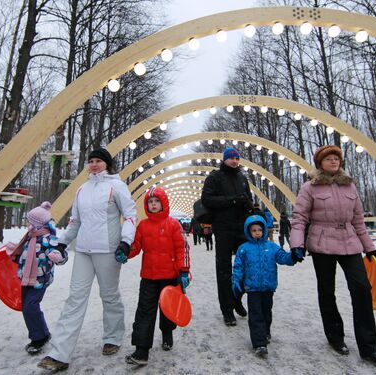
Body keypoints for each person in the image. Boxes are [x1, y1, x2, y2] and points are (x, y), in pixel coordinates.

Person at [290, 145, 376, 369]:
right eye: (329, 159)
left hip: (350, 242)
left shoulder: (350, 186)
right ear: (320, 163)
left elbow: (358, 220)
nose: (334, 161)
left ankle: (370, 347)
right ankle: (335, 336)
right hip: (321, 242)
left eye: (337, 158)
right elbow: (299, 218)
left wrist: (368, 246)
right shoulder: (310, 188)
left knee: (362, 289)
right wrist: (297, 244)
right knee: (327, 291)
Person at [38, 148, 137, 371]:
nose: (94, 165)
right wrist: (63, 242)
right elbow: (75, 221)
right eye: (90, 161)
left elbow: (130, 215)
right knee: (75, 299)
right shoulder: (82, 189)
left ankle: (113, 337)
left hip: (108, 250)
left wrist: (125, 241)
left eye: (98, 161)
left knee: (109, 295)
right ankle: (59, 354)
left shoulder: (116, 186)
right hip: (83, 250)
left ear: (107, 164)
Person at [125, 187, 191, 365]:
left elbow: (182, 248)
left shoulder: (173, 224)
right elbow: (136, 246)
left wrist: (184, 270)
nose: (153, 205)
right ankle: (141, 349)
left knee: (168, 310)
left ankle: (167, 332)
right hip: (149, 276)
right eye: (150, 202)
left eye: (156, 201)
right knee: (145, 311)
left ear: (163, 203)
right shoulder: (143, 226)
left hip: (170, 277)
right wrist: (125, 251)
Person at [232, 215, 301, 358]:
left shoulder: (271, 247)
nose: (257, 232)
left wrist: (293, 257)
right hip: (252, 288)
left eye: (259, 230)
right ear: (248, 231)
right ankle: (259, 343)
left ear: (263, 230)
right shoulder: (244, 249)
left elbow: (282, 257)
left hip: (268, 287)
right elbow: (238, 266)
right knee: (255, 314)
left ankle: (265, 332)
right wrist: (236, 280)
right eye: (253, 230)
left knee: (266, 312)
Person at [6, 201, 68, 355]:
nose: (28, 224)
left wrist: (59, 257)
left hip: (40, 279)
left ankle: (39, 338)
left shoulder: (48, 239)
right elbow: (25, 254)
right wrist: (15, 251)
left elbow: (61, 254)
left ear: (38, 224)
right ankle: (42, 333)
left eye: (30, 222)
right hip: (26, 278)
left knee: (30, 306)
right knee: (27, 307)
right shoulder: (30, 237)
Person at [201, 147, 253, 326]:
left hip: (241, 228)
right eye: (231, 158)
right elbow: (207, 200)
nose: (234, 161)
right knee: (224, 270)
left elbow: (248, 200)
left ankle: (236, 298)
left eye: (237, 158)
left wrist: (248, 205)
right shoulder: (214, 177)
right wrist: (232, 200)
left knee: (246, 266)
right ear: (224, 159)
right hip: (223, 228)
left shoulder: (242, 178)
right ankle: (227, 309)